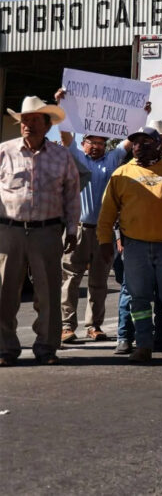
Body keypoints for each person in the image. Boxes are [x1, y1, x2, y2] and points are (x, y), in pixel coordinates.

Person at [96, 126, 162, 365]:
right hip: (135, 247)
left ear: (159, 144)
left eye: (146, 141)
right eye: (136, 142)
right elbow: (107, 212)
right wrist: (104, 241)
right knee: (138, 300)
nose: (140, 146)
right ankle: (143, 346)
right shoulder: (121, 174)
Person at [0, 96, 80, 366]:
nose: (28, 125)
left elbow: (71, 195)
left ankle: (46, 347)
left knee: (48, 292)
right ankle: (4, 349)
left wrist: (72, 229)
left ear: (48, 125)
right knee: (4, 292)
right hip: (8, 231)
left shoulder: (62, 156)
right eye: (24, 120)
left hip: (47, 232)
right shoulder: (4, 151)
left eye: (34, 120)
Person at [52, 95, 132, 344]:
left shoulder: (112, 160)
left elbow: (130, 141)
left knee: (99, 281)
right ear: (83, 143)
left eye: (101, 142)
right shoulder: (76, 157)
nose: (96, 146)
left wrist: (140, 114)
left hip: (103, 231)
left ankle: (94, 326)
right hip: (77, 229)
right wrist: (62, 106)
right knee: (71, 279)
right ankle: (67, 326)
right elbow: (65, 136)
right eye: (92, 142)